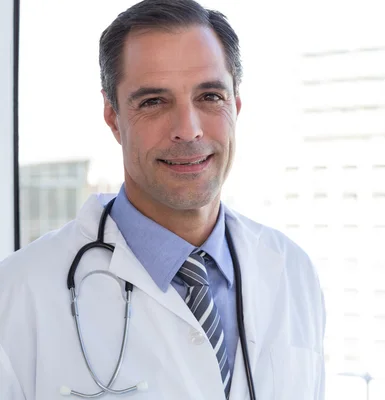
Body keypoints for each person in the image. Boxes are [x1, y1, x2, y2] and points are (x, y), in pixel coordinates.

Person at [0, 1, 326, 399]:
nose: (188, 131)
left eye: (210, 96)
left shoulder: (293, 272)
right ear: (113, 117)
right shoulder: (17, 295)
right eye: (153, 102)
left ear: (236, 106)